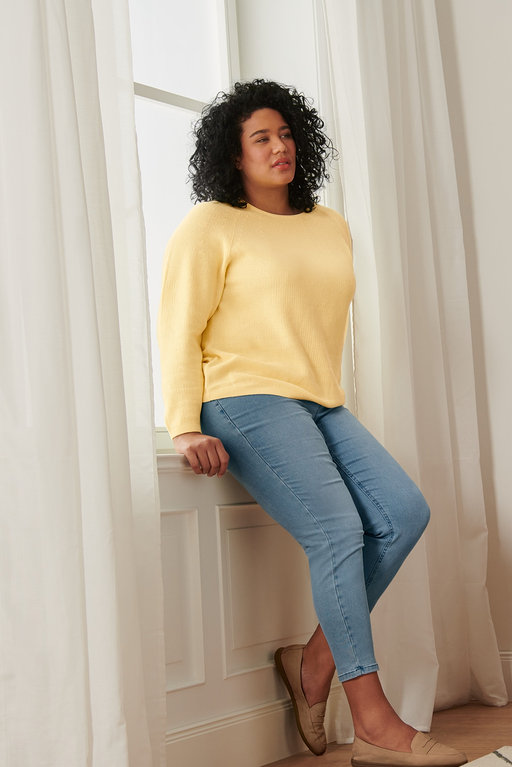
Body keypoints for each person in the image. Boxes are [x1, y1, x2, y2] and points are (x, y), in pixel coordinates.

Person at [158, 79, 467, 767]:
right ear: (233, 156)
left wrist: (319, 397)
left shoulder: (329, 225)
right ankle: (377, 724)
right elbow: (178, 328)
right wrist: (182, 423)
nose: (279, 147)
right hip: (241, 397)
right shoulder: (210, 224)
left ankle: (315, 659)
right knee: (337, 528)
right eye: (260, 138)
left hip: (319, 398)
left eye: (286, 134)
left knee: (403, 511)